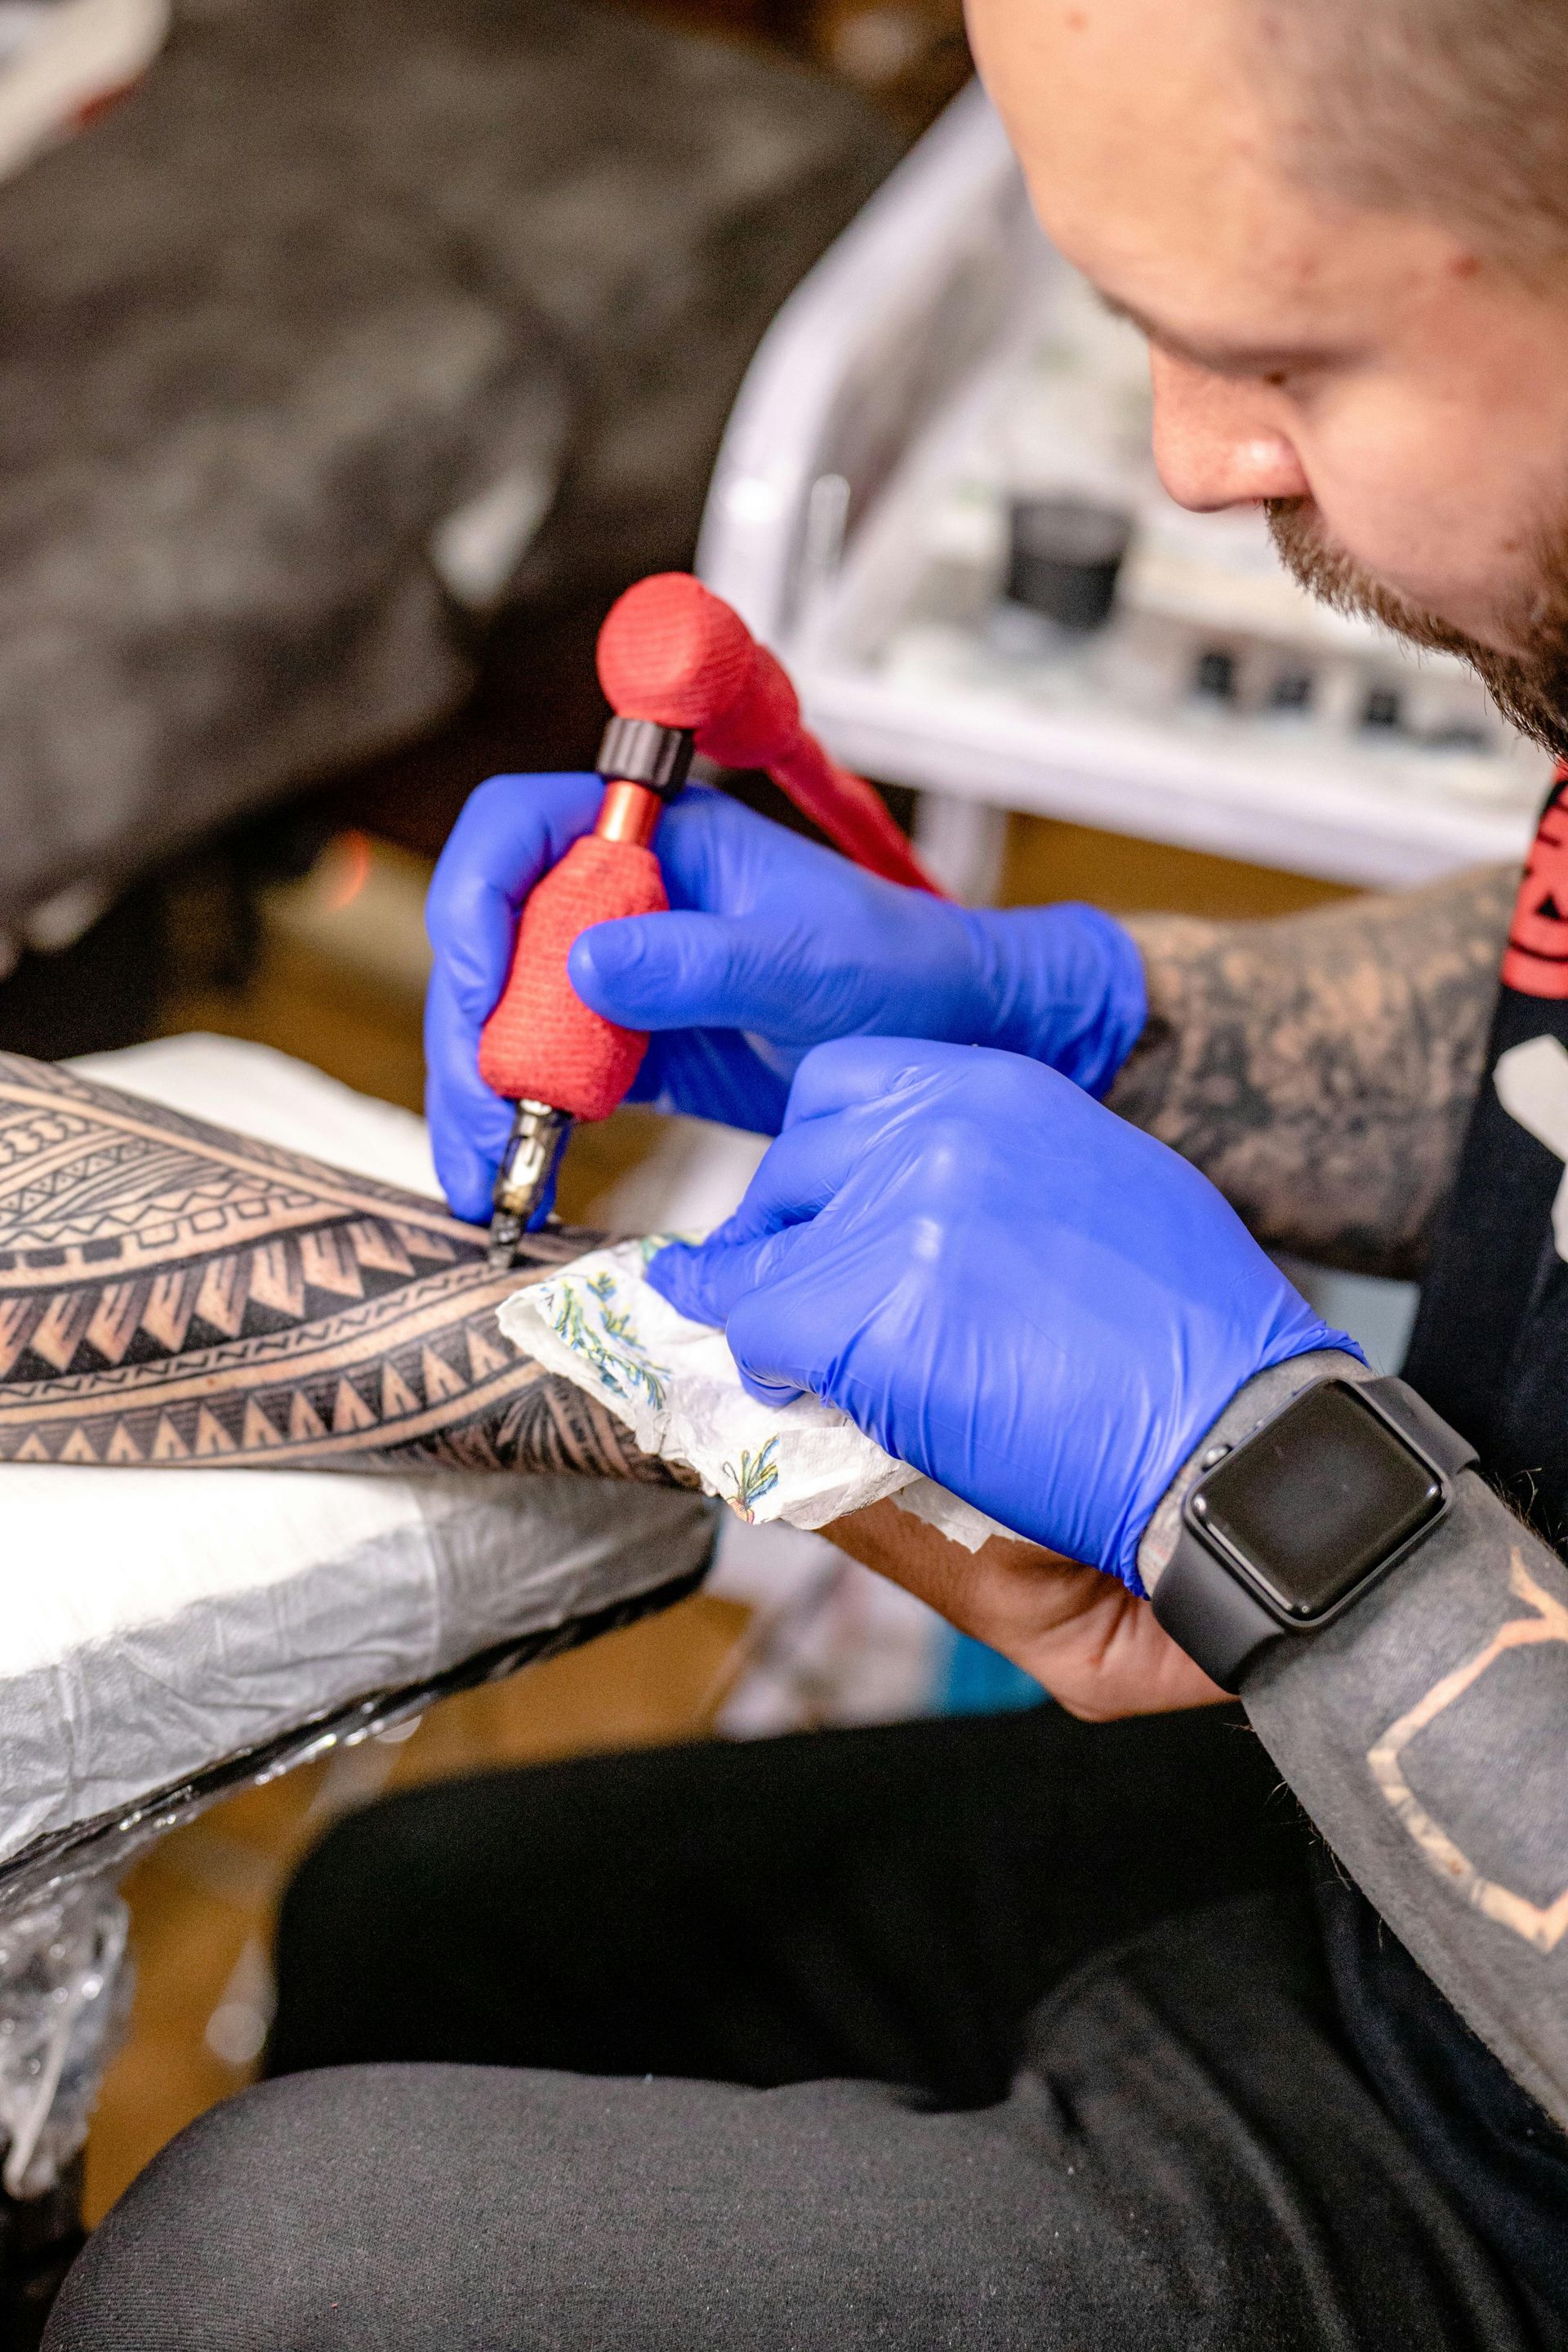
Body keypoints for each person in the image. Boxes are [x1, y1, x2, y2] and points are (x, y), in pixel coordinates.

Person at [47, 0, 1568, 2344]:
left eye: (1284, 354)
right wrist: (1067, 1005)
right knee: (435, 1924)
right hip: (1368, 1901)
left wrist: (1289, 1508)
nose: (1190, 458)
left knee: (286, 2276)